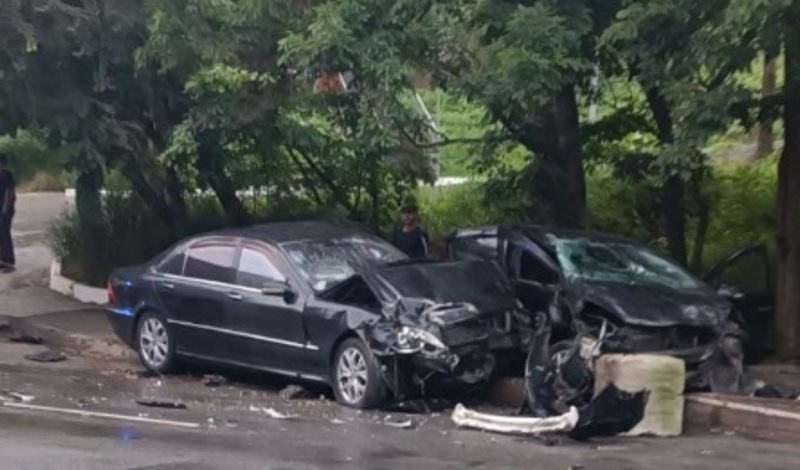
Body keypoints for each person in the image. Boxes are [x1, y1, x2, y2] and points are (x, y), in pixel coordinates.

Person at [0, 153, 16, 272]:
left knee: (4, 234)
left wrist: (5, 209)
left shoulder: (6, 174)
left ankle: (9, 262)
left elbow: (9, 192)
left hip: (5, 210)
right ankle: (3, 261)